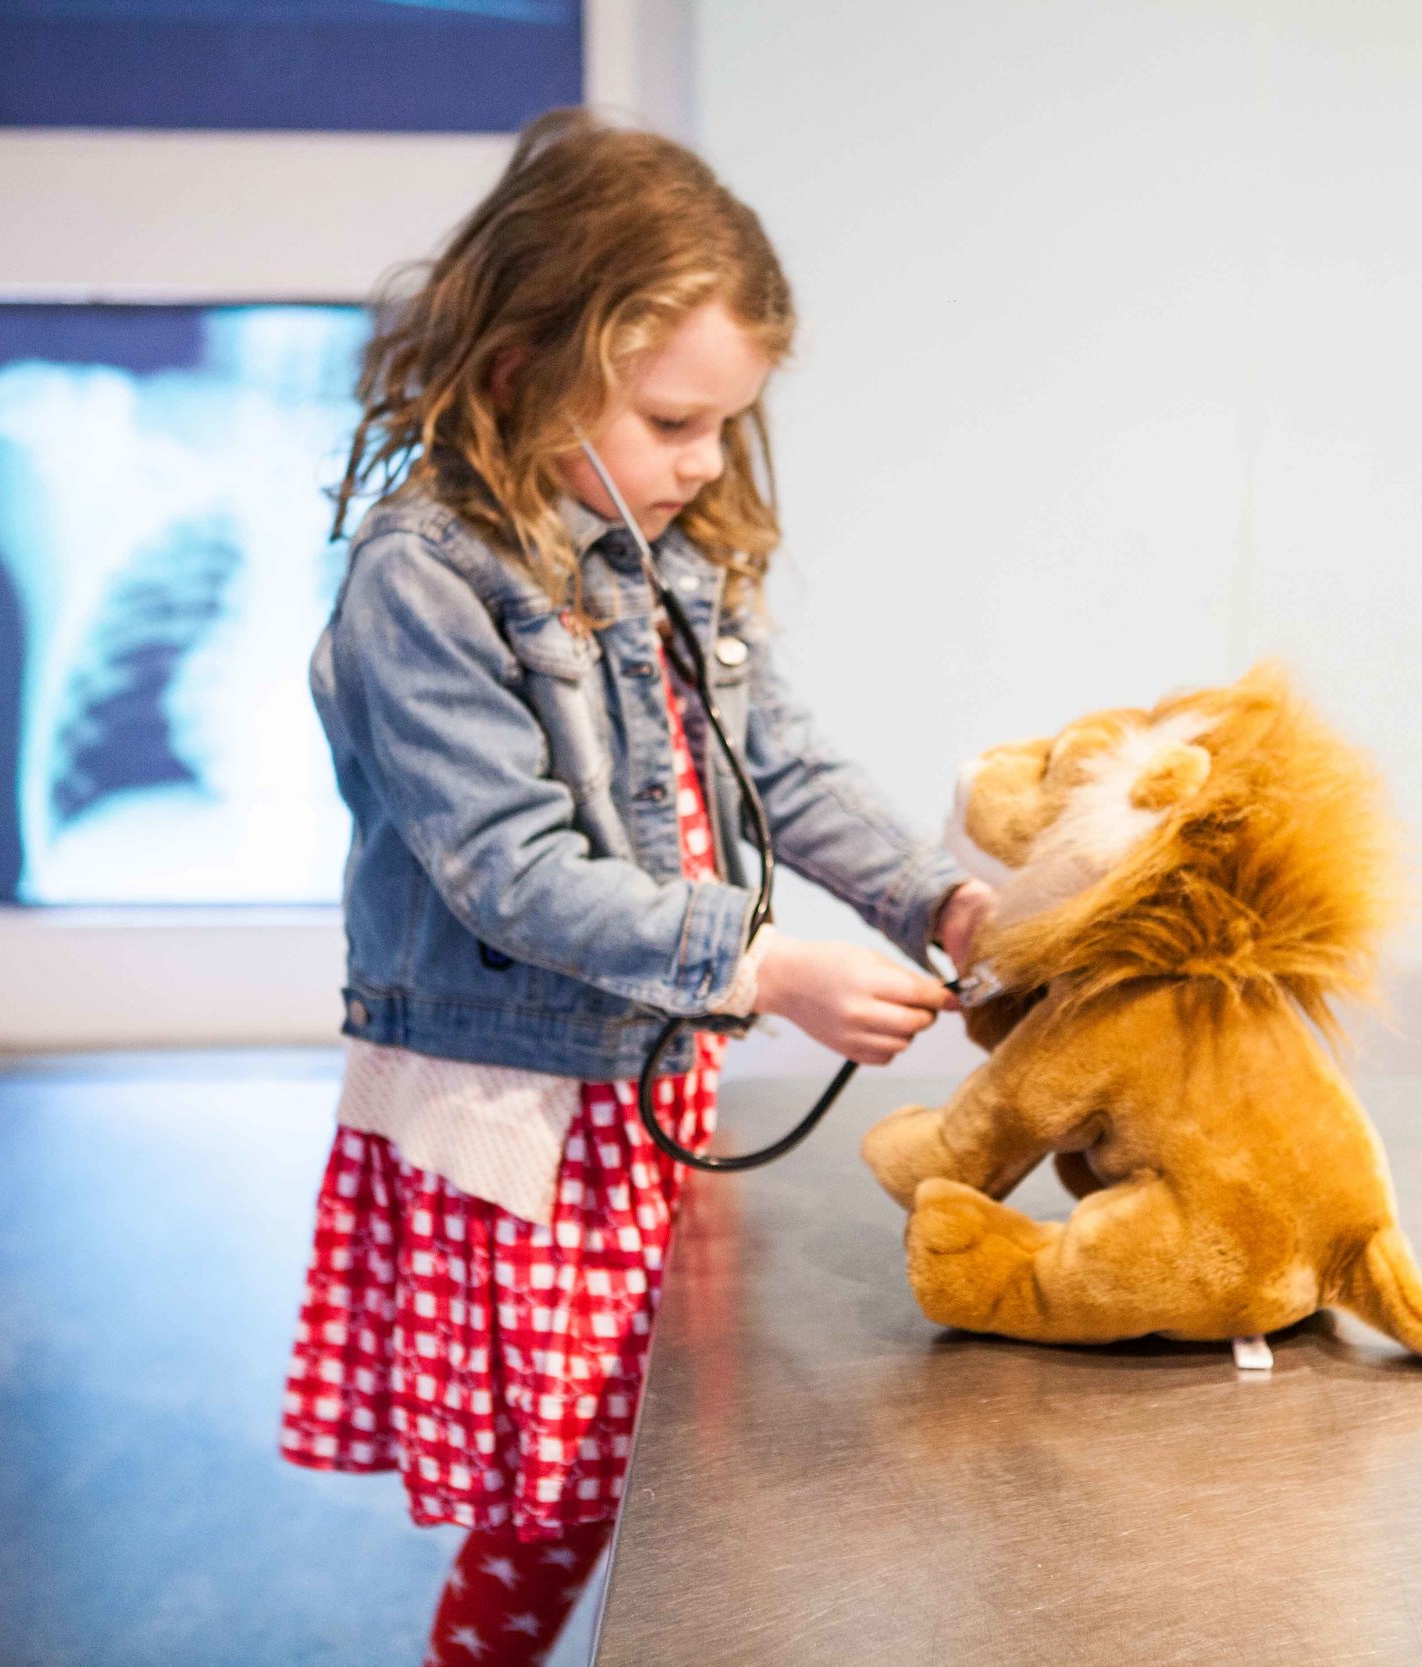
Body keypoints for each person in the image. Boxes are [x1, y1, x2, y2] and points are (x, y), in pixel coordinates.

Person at [276, 107, 995, 1667]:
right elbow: (510, 876)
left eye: (727, 424)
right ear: (524, 370)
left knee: (677, 1450)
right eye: (674, 422)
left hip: (648, 1083)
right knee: (559, 1501)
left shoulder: (655, 550)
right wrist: (765, 965)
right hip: (524, 1116)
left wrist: (938, 906)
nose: (707, 462)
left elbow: (780, 768)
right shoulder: (423, 581)